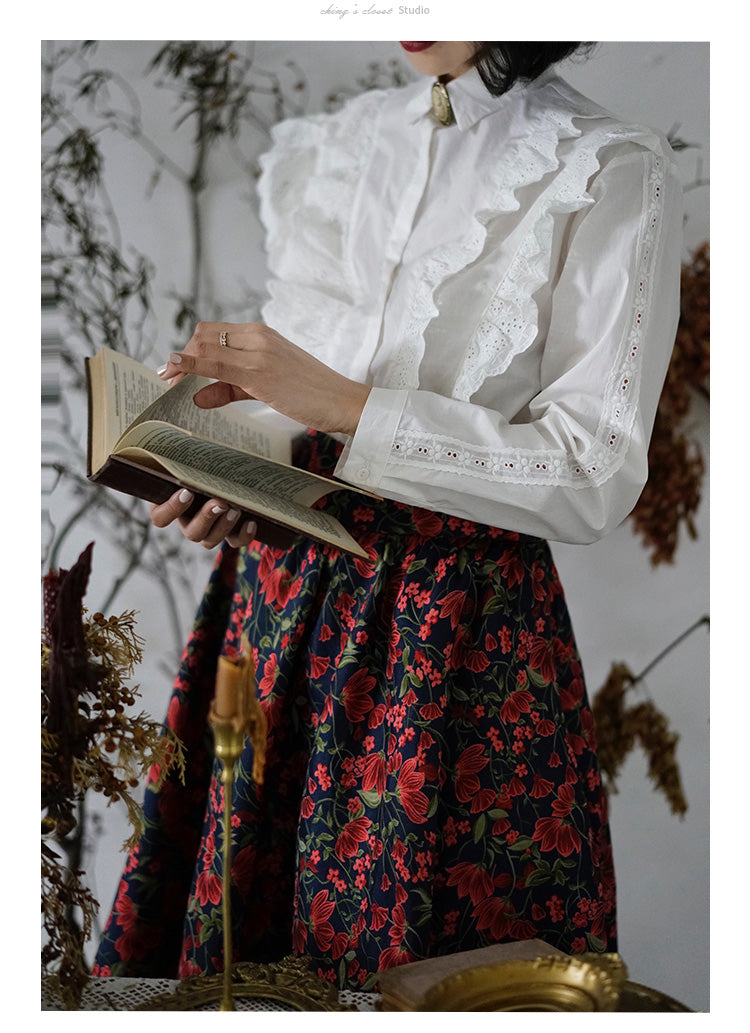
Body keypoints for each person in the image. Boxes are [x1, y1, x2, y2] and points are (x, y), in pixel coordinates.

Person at [94, 42, 682, 991]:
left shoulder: (609, 165)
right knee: (244, 958)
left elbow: (594, 471)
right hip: (277, 599)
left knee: (427, 966)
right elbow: (294, 406)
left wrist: (345, 404)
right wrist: (230, 471)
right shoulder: (330, 146)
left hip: (453, 638)